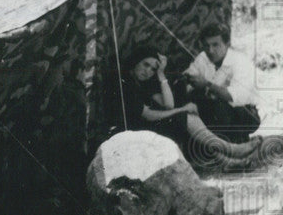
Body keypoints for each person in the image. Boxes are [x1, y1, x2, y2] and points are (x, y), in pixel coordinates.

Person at [115, 45, 274, 170]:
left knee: (188, 117)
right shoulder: (125, 82)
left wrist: (161, 75)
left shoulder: (142, 83)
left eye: (153, 68)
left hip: (145, 127)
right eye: (145, 65)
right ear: (136, 61)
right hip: (130, 131)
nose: (147, 71)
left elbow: (167, 104)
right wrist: (182, 109)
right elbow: (148, 115)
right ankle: (230, 150)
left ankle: (227, 160)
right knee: (185, 116)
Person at [183, 25, 260, 144]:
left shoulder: (240, 61)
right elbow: (190, 76)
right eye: (206, 45)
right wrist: (189, 79)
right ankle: (210, 147)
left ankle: (234, 143)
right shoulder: (203, 57)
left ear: (227, 43)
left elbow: (236, 97)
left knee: (219, 106)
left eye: (215, 45)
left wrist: (207, 85)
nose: (210, 50)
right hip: (216, 111)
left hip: (244, 114)